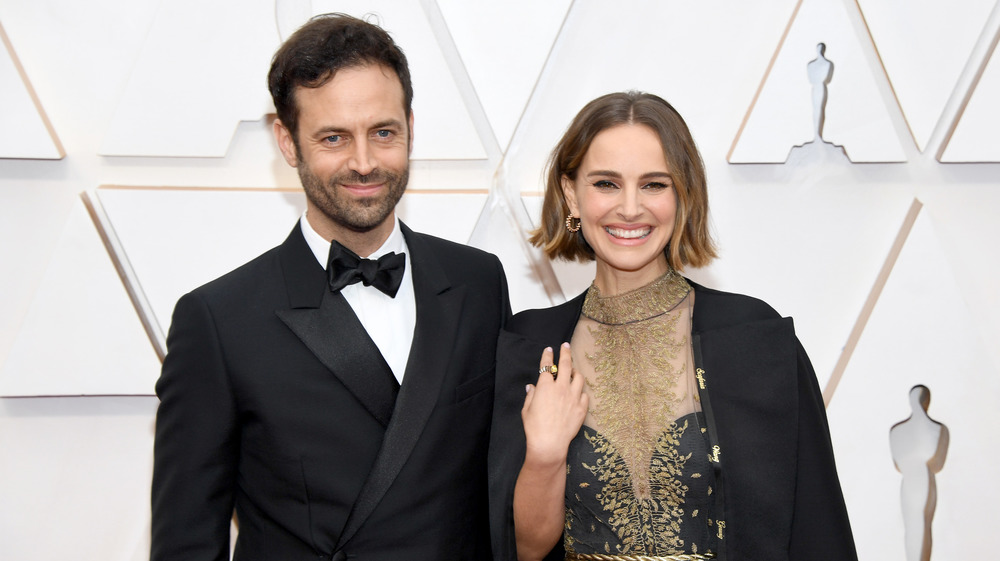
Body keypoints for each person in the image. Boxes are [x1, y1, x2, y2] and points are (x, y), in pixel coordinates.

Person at [151, 14, 510, 561]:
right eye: (334, 137)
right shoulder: (219, 321)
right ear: (287, 142)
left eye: (383, 132)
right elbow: (186, 542)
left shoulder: (479, 281)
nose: (364, 162)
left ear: (411, 126)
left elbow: (499, 488)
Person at [488, 91, 857, 561]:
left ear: (683, 195)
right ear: (570, 194)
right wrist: (544, 454)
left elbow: (816, 526)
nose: (629, 208)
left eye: (654, 185)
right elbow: (522, 548)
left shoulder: (755, 341)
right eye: (606, 183)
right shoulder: (529, 347)